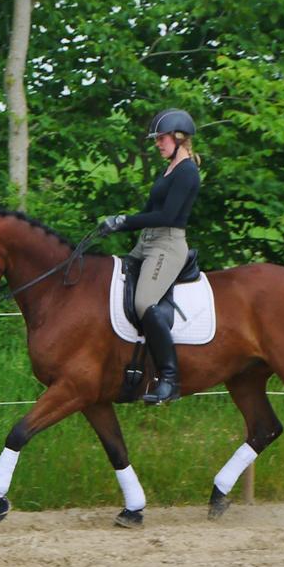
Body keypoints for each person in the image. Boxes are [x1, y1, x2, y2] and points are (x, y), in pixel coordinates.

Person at [98, 108, 201, 405]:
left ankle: (170, 379)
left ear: (180, 138)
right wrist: (116, 223)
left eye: (162, 137)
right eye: (157, 138)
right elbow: (147, 212)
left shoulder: (187, 172)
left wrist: (124, 220)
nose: (158, 143)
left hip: (168, 245)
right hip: (147, 242)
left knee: (144, 302)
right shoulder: (167, 169)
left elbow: (167, 216)